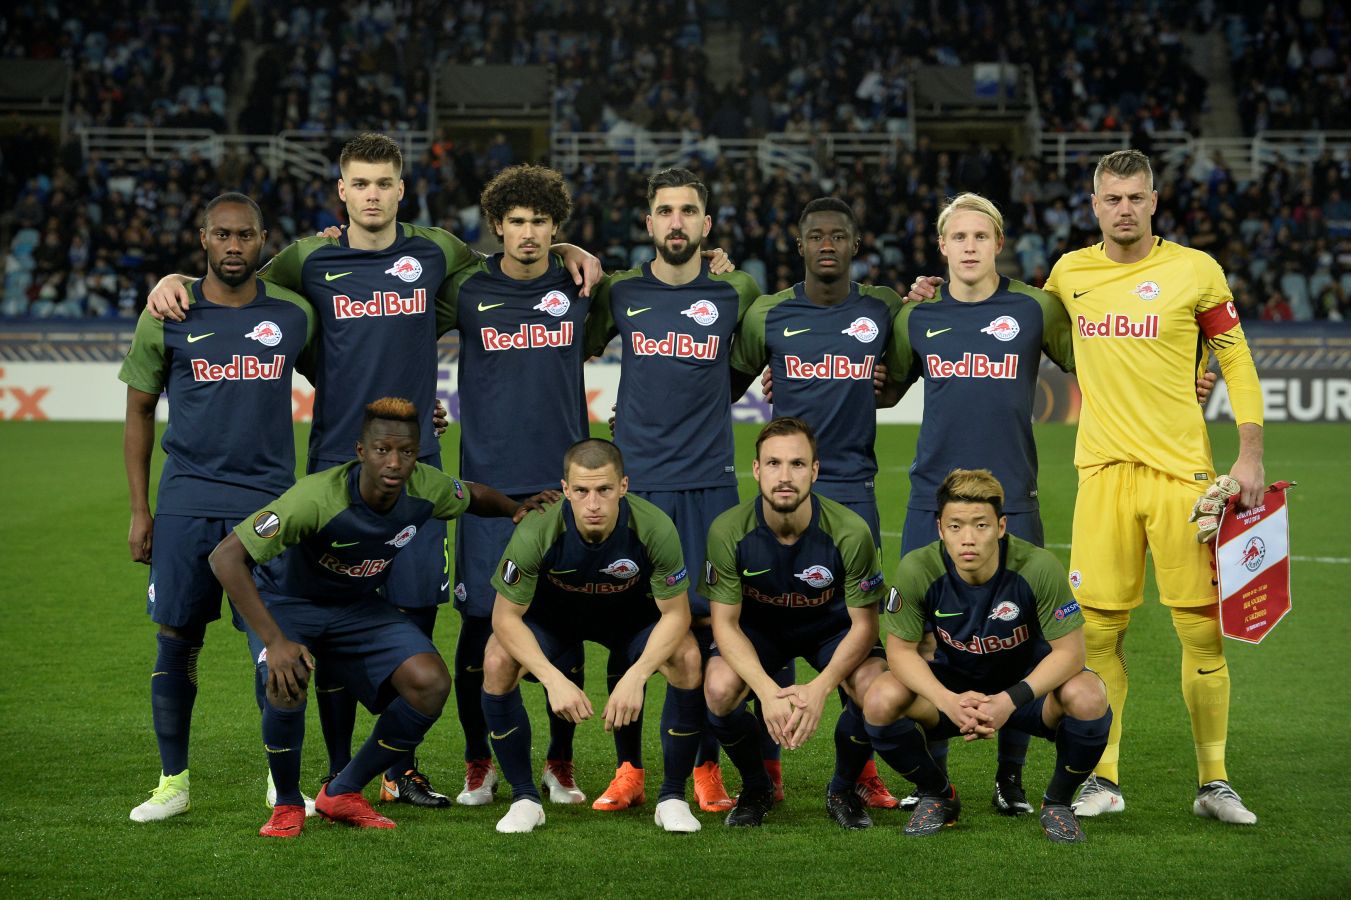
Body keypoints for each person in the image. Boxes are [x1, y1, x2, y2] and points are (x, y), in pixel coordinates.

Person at [146, 132, 603, 807]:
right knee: (325, 616)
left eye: (382, 183)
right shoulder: (307, 258)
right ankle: (337, 770)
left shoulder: (436, 251)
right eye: (358, 183)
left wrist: (569, 248)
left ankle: (400, 766)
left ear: (399, 187)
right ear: (341, 190)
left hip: (416, 468)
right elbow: (231, 281)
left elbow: (510, 256)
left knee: (414, 613)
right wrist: (175, 281)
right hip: (333, 465)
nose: (371, 195)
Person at [207, 397, 552, 837]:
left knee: (430, 683)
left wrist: (514, 508)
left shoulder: (425, 486)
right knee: (286, 678)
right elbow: (225, 558)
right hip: (288, 603)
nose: (394, 462)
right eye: (382, 450)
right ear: (360, 451)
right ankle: (289, 802)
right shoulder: (315, 498)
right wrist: (274, 641)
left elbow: (471, 494)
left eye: (406, 452)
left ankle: (344, 789)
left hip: (354, 605)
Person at [1043, 150, 1264, 824]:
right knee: (1100, 636)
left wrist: (1248, 453)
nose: (1124, 209)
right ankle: (1101, 778)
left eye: (1135, 197)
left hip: (1182, 481)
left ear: (1154, 201)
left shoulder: (1194, 270)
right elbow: (1033, 330)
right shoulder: (1068, 273)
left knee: (1200, 632)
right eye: (1112, 199)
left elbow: (1235, 355)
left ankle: (1213, 782)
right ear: (1093, 204)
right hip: (1103, 476)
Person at [881, 192, 1078, 815]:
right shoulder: (917, 317)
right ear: (942, 247)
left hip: (1012, 500)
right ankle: (936, 781)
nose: (969, 247)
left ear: (998, 243)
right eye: (957, 237)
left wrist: (1190, 374)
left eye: (980, 236)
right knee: (931, 641)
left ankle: (1010, 779)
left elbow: (1100, 362)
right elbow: (884, 391)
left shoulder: (1034, 308)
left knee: (1019, 643)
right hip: (929, 502)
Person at [121, 193, 315, 823]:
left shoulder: (292, 313)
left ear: (264, 240)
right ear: (202, 238)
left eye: (247, 236)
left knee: (274, 644)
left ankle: (278, 780)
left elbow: (342, 381)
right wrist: (139, 510)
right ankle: (172, 782)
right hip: (184, 504)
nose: (235, 247)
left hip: (266, 509)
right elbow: (139, 412)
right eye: (223, 235)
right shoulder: (168, 312)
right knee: (176, 639)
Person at [583, 167, 764, 813]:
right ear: (650, 222)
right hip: (639, 489)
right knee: (631, 628)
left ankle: (705, 769)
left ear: (706, 224)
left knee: (708, 635)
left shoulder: (736, 290)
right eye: (665, 211)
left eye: (688, 211)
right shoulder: (619, 293)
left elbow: (745, 367)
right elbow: (563, 347)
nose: (676, 222)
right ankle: (628, 767)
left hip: (710, 488)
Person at [728, 196, 903, 809]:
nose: (826, 244)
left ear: (856, 245)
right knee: (770, 618)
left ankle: (855, 776)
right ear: (797, 245)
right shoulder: (770, 314)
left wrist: (880, 382)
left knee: (857, 629)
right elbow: (724, 380)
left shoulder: (883, 309)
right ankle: (766, 773)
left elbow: (902, 375)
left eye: (839, 235)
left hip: (853, 490)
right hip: (780, 491)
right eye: (815, 236)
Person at [438, 163, 593, 806]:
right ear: (496, 227)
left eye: (541, 223)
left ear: (556, 228)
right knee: (479, 630)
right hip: (486, 493)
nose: (528, 234)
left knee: (567, 625)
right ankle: (480, 762)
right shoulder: (466, 291)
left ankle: (560, 762)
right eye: (517, 222)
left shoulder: (581, 287)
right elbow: (393, 327)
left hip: (565, 490)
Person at [862, 468, 1112, 844]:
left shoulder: (1038, 567)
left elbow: (1071, 653)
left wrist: (1010, 701)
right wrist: (947, 700)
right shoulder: (919, 568)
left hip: (1026, 692)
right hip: (953, 690)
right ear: (940, 528)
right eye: (957, 526)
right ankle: (938, 794)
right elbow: (900, 653)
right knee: (879, 698)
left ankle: (1057, 803)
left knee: (1089, 695)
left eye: (981, 525)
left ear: (1001, 526)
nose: (968, 539)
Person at [480, 438, 705, 834]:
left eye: (604, 490)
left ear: (624, 486)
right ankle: (524, 799)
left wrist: (637, 675)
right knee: (497, 659)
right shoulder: (539, 529)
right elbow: (504, 618)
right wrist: (552, 680)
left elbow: (676, 614)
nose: (593, 503)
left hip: (631, 622)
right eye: (581, 491)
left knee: (686, 657)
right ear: (566, 490)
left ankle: (672, 797)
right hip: (554, 622)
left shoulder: (653, 526)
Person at [702, 417, 888, 829]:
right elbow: (726, 624)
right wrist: (767, 691)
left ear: (815, 471)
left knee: (877, 691)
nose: (784, 477)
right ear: (756, 470)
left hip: (831, 629)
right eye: (773, 464)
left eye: (797, 465)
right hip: (759, 631)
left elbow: (865, 626)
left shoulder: (851, 532)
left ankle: (842, 789)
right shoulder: (728, 531)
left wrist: (822, 688)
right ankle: (756, 787)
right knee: (718, 689)